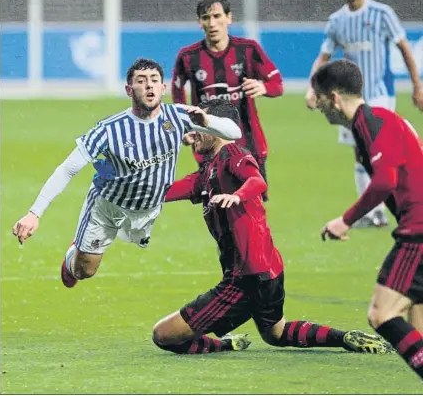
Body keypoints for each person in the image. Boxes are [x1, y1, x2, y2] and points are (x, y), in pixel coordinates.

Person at [151, 98, 394, 356]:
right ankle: (345, 338)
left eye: (201, 124)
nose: (195, 131)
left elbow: (257, 181)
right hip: (269, 270)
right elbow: (162, 192)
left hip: (245, 279)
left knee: (163, 335)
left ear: (218, 128)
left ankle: (222, 344)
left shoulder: (233, 154)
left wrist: (238, 195)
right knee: (276, 334)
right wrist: (127, 188)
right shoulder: (206, 171)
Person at [12, 58, 241, 289]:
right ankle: (75, 253)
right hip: (108, 206)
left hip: (148, 209)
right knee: (84, 271)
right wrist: (34, 213)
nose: (149, 86)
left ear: (163, 88)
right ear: (129, 90)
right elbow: (67, 169)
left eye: (154, 80)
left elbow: (235, 133)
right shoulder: (109, 130)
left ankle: (85, 246)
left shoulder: (179, 116)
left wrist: (207, 120)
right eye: (141, 81)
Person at [313, 59, 423, 379]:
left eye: (319, 98)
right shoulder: (378, 120)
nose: (317, 106)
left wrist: (345, 220)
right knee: (416, 331)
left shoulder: (369, 123)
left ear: (334, 98)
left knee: (382, 314)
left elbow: (385, 181)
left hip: (417, 230)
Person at [305, 0, 423, 228]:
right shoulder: (337, 20)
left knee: (379, 155)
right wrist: (311, 88)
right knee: (360, 155)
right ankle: (374, 213)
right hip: (348, 100)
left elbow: (405, 48)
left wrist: (417, 86)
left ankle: (398, 207)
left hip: (380, 95)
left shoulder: (382, 14)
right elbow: (323, 57)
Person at [172, 0, 283, 201]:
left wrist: (263, 87)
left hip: (249, 142)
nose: (212, 23)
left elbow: (277, 85)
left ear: (229, 18)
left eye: (217, 16)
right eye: (206, 18)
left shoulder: (248, 50)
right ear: (199, 22)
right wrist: (183, 127)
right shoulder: (188, 57)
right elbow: (178, 94)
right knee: (217, 206)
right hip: (210, 145)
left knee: (252, 204)